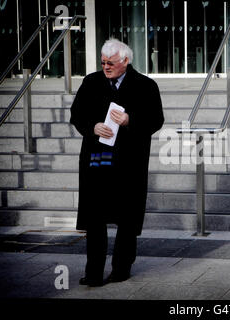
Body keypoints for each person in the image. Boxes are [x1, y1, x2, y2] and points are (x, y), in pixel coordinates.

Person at [70, 38, 164, 287]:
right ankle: (93, 273)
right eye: (102, 62)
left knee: (127, 218)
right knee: (95, 219)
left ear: (125, 61)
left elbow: (156, 120)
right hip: (97, 160)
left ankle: (121, 269)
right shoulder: (91, 82)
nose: (106, 67)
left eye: (110, 63)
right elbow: (76, 114)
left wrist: (129, 121)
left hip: (128, 163)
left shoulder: (145, 85)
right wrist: (93, 126)